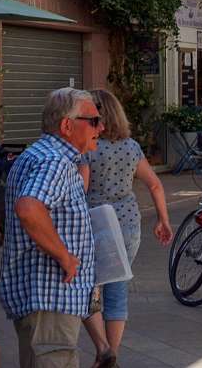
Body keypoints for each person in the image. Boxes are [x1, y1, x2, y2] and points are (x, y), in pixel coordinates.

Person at [0, 87, 101, 368]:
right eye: (93, 121)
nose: (101, 128)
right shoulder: (54, 161)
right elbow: (29, 208)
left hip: (45, 297)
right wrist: (64, 257)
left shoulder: (46, 156)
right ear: (67, 125)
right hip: (49, 297)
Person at [78, 90, 172, 368]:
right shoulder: (131, 147)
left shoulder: (88, 148)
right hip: (127, 225)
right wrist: (163, 220)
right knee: (118, 291)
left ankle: (102, 349)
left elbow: (82, 188)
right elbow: (154, 184)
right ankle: (112, 356)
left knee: (88, 289)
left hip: (95, 224)